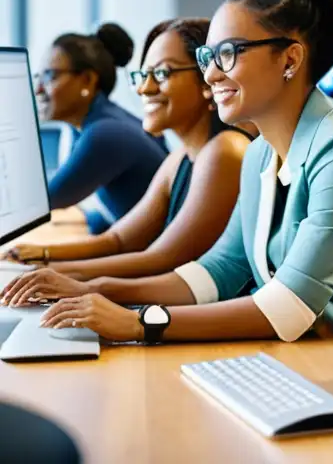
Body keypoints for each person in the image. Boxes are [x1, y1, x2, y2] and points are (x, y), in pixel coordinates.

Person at [4, 0, 333, 345]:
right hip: (328, 360)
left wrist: (139, 323)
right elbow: (218, 271)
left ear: (290, 59)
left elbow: (290, 306)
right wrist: (96, 290)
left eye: (229, 53)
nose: (210, 74)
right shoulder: (261, 155)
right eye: (208, 56)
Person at [1, 18, 250, 289]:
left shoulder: (225, 152)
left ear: (207, 78)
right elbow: (117, 239)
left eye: (163, 74)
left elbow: (161, 259)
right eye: (143, 76)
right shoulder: (180, 158)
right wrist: (40, 257)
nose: (145, 88)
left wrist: (57, 273)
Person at [34, 24, 169, 234]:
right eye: (38, 77)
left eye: (50, 76)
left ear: (87, 79)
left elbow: (41, 201)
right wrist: (90, 219)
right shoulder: (106, 120)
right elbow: (122, 213)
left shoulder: (105, 134)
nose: (39, 89)